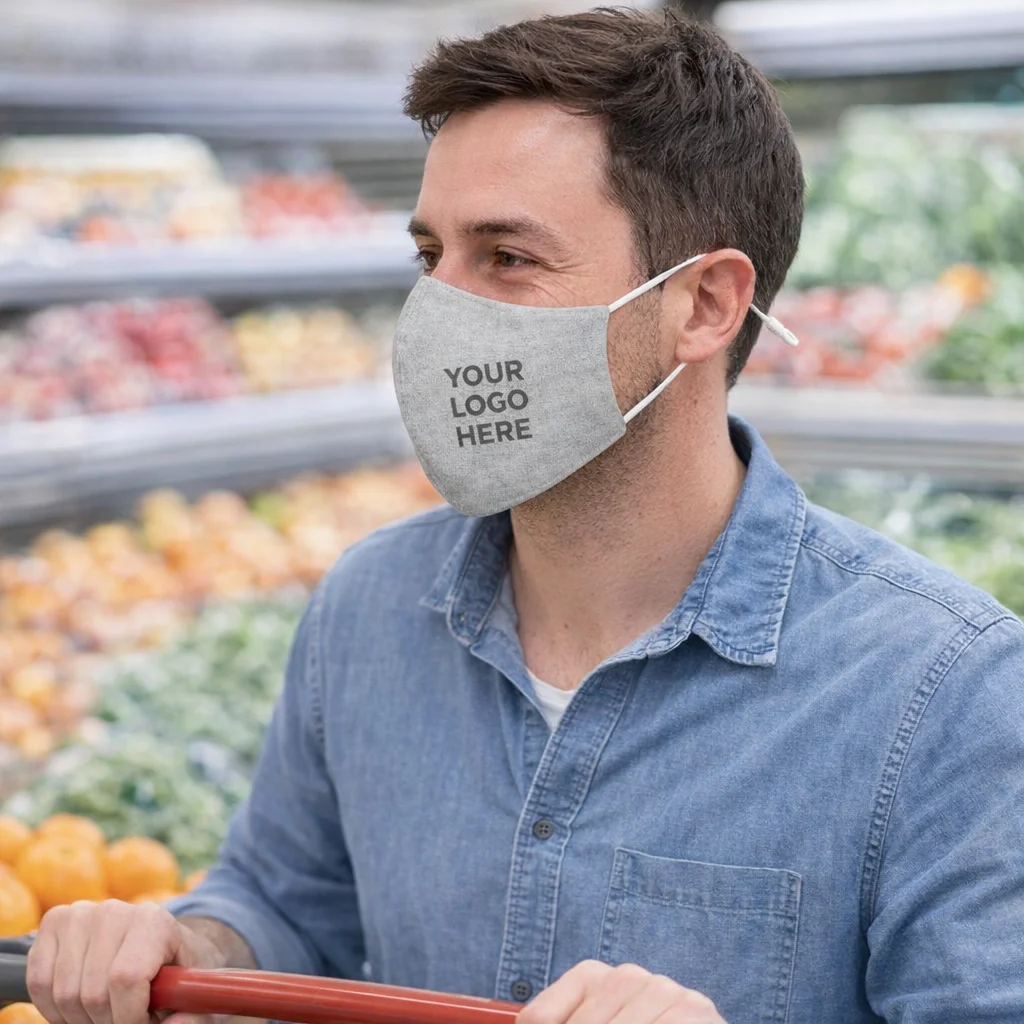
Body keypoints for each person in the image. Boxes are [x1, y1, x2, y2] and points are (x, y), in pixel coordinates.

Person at [26, 9, 1024, 1024]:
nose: (437, 314)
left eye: (506, 257)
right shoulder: (367, 612)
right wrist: (183, 942)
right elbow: (286, 904)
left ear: (706, 305)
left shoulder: (943, 695)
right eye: (430, 256)